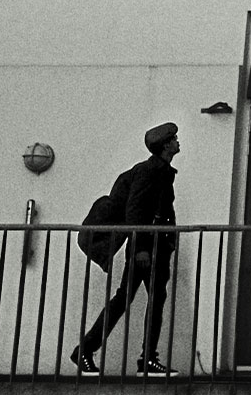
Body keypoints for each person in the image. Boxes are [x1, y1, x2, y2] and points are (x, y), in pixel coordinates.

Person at [71, 122, 181, 376]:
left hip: (156, 245)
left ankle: (140, 359)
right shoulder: (149, 171)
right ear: (165, 145)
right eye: (174, 139)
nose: (178, 142)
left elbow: (160, 210)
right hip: (147, 246)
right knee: (133, 299)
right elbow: (135, 210)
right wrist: (141, 247)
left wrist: (168, 241)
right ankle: (138, 358)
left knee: (142, 299)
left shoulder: (162, 171)